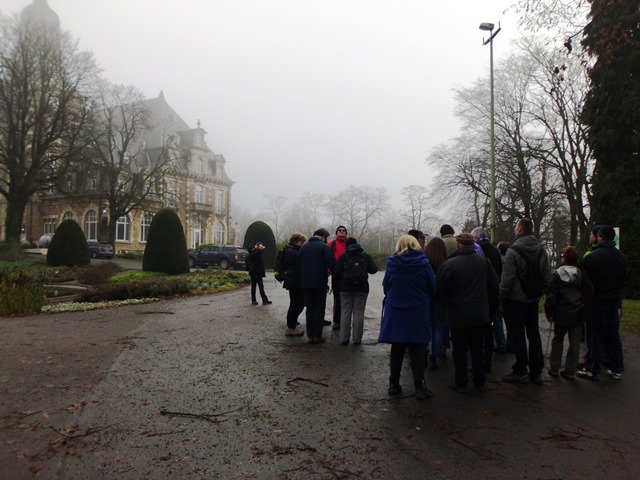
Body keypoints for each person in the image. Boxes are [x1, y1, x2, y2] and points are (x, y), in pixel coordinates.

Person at [436, 233, 498, 393]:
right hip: (479, 313)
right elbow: (494, 284)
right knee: (477, 348)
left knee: (459, 349)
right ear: (472, 245)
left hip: (458, 313)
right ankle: (479, 381)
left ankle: (461, 382)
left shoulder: (450, 264)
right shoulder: (484, 261)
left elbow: (440, 289)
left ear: (458, 245)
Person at [379, 235, 435, 400]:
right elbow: (432, 287)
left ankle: (393, 384)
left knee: (397, 348)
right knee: (417, 348)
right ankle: (420, 386)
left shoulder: (392, 264)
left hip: (396, 311)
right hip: (418, 311)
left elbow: (386, 287)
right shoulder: (424, 264)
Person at [500, 218, 552, 385]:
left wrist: (501, 298)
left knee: (518, 335)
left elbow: (507, 280)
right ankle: (536, 371)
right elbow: (547, 276)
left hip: (515, 301)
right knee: (534, 334)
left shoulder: (513, 251)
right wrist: (538, 293)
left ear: (520, 230)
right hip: (533, 300)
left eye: (516, 227)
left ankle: (520, 369)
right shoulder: (542, 251)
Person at [578, 225, 628, 380]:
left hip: (597, 301)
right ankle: (616, 368)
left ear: (600, 237)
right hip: (614, 300)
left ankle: (592, 368)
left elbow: (584, 282)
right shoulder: (621, 256)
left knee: (595, 335)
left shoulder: (592, 257)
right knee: (613, 335)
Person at [544, 246, 593, 380]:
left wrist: (549, 311)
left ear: (564, 258)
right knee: (575, 342)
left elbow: (552, 296)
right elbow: (588, 293)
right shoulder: (581, 274)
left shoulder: (557, 274)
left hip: (561, 312)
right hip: (577, 312)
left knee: (558, 339)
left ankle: (554, 367)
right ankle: (570, 370)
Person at [471, 226, 506, 365]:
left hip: (481, 290)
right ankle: (501, 343)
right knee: (496, 317)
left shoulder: (477, 250)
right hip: (494, 288)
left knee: (483, 323)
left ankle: (484, 347)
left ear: (476, 238)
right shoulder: (495, 250)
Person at [333, 237, 378, 345]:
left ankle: (344, 338)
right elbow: (374, 270)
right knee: (359, 312)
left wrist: (343, 276)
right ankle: (357, 339)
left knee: (345, 312)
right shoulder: (365, 256)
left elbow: (335, 271)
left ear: (346, 246)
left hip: (345, 288)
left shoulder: (344, 256)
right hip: (362, 289)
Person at [298, 228, 335, 344]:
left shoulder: (303, 248)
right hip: (319, 283)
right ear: (323, 237)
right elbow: (332, 263)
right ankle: (317, 336)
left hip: (306, 284)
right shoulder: (324, 247)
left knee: (309, 309)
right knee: (319, 309)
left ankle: (310, 336)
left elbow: (298, 267)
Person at [423, 236, 449, 371]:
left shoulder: (424, 261)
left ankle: (424, 353)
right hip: (440, 301)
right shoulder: (446, 263)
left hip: (426, 300)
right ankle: (434, 357)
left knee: (426, 328)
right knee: (438, 329)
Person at [282, 233, 307, 337]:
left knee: (296, 302)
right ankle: (291, 326)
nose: (302, 244)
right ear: (297, 241)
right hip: (294, 281)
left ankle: (292, 322)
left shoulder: (289, 250)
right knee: (297, 303)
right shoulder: (293, 252)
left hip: (292, 280)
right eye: (302, 242)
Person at [327, 226, 349, 330]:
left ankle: (346, 321)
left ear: (346, 233)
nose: (341, 232)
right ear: (336, 233)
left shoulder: (350, 243)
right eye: (339, 230)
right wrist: (329, 271)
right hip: (336, 275)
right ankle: (337, 321)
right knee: (337, 299)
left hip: (348, 276)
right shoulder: (332, 244)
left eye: (343, 230)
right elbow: (326, 258)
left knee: (348, 299)